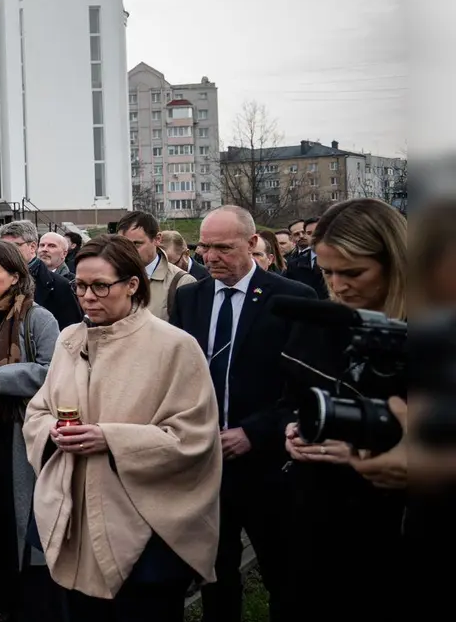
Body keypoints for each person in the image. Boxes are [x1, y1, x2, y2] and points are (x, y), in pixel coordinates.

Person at [26, 235, 221, 621]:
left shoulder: (174, 346)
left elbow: (193, 437)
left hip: (146, 532)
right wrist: (52, 431)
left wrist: (109, 438)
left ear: (133, 285)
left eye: (101, 285)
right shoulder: (70, 338)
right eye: (80, 286)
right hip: (74, 518)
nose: (88, 296)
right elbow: (38, 411)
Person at [171, 206, 314, 622]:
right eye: (204, 247)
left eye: (223, 248)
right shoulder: (189, 297)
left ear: (253, 244)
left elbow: (305, 389)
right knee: (215, 573)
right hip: (205, 462)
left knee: (282, 574)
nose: (210, 256)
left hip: (269, 464)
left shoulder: (291, 298)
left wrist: (254, 432)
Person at [281, 198, 408, 618]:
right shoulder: (318, 324)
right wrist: (294, 430)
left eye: (353, 273)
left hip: (391, 530)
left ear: (395, 264)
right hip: (315, 516)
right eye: (327, 272)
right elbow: (291, 398)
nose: (338, 286)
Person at [0, 239, 60, 621]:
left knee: (26, 523)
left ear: (15, 276)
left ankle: (32, 606)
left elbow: (54, 371)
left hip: (22, 437)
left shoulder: (38, 319)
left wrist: (0, 378)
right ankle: (1, 604)